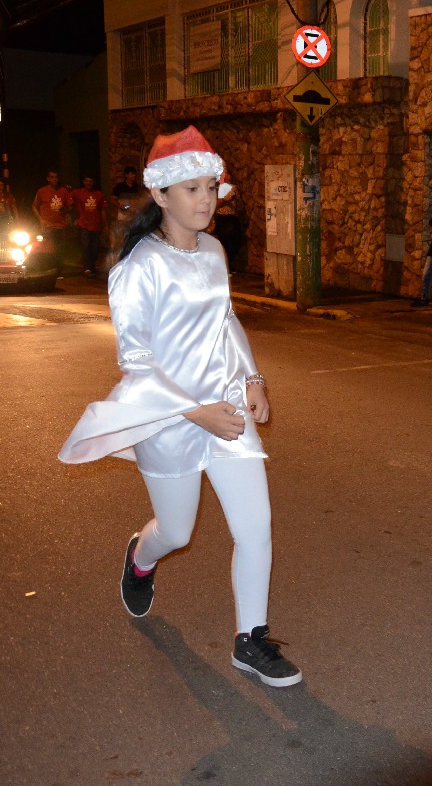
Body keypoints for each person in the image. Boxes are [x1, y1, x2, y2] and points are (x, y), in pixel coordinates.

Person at [57, 126, 301, 688]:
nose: (206, 199)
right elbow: (137, 364)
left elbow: (225, 321)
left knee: (256, 526)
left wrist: (253, 379)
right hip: (167, 419)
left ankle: (251, 641)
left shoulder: (214, 250)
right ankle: (141, 557)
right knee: (177, 531)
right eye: (192, 189)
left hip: (225, 409)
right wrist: (198, 413)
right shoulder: (137, 268)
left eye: (211, 187)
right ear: (161, 195)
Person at [33, 169, 72, 268]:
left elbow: (70, 205)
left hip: (60, 225)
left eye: (56, 177)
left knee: (60, 249)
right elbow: (34, 206)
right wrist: (41, 219)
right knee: (49, 249)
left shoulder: (63, 191)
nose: (54, 179)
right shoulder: (42, 191)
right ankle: (50, 269)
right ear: (48, 179)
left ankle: (59, 270)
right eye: (52, 177)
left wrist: (66, 210)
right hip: (48, 226)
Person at [110, 166, 146, 268]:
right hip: (122, 217)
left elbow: (141, 200)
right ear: (126, 175)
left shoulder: (137, 187)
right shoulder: (119, 187)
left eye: (134, 174)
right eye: (130, 174)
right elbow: (113, 199)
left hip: (134, 218)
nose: (133, 176)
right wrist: (120, 205)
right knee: (121, 239)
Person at [71, 175, 106, 277]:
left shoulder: (99, 194)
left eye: (91, 181)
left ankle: (92, 266)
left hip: (96, 225)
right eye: (87, 181)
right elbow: (68, 202)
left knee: (95, 248)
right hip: (83, 224)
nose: (89, 183)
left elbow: (102, 210)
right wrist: (73, 218)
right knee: (85, 246)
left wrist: (105, 225)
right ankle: (87, 268)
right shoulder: (77, 193)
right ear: (83, 182)